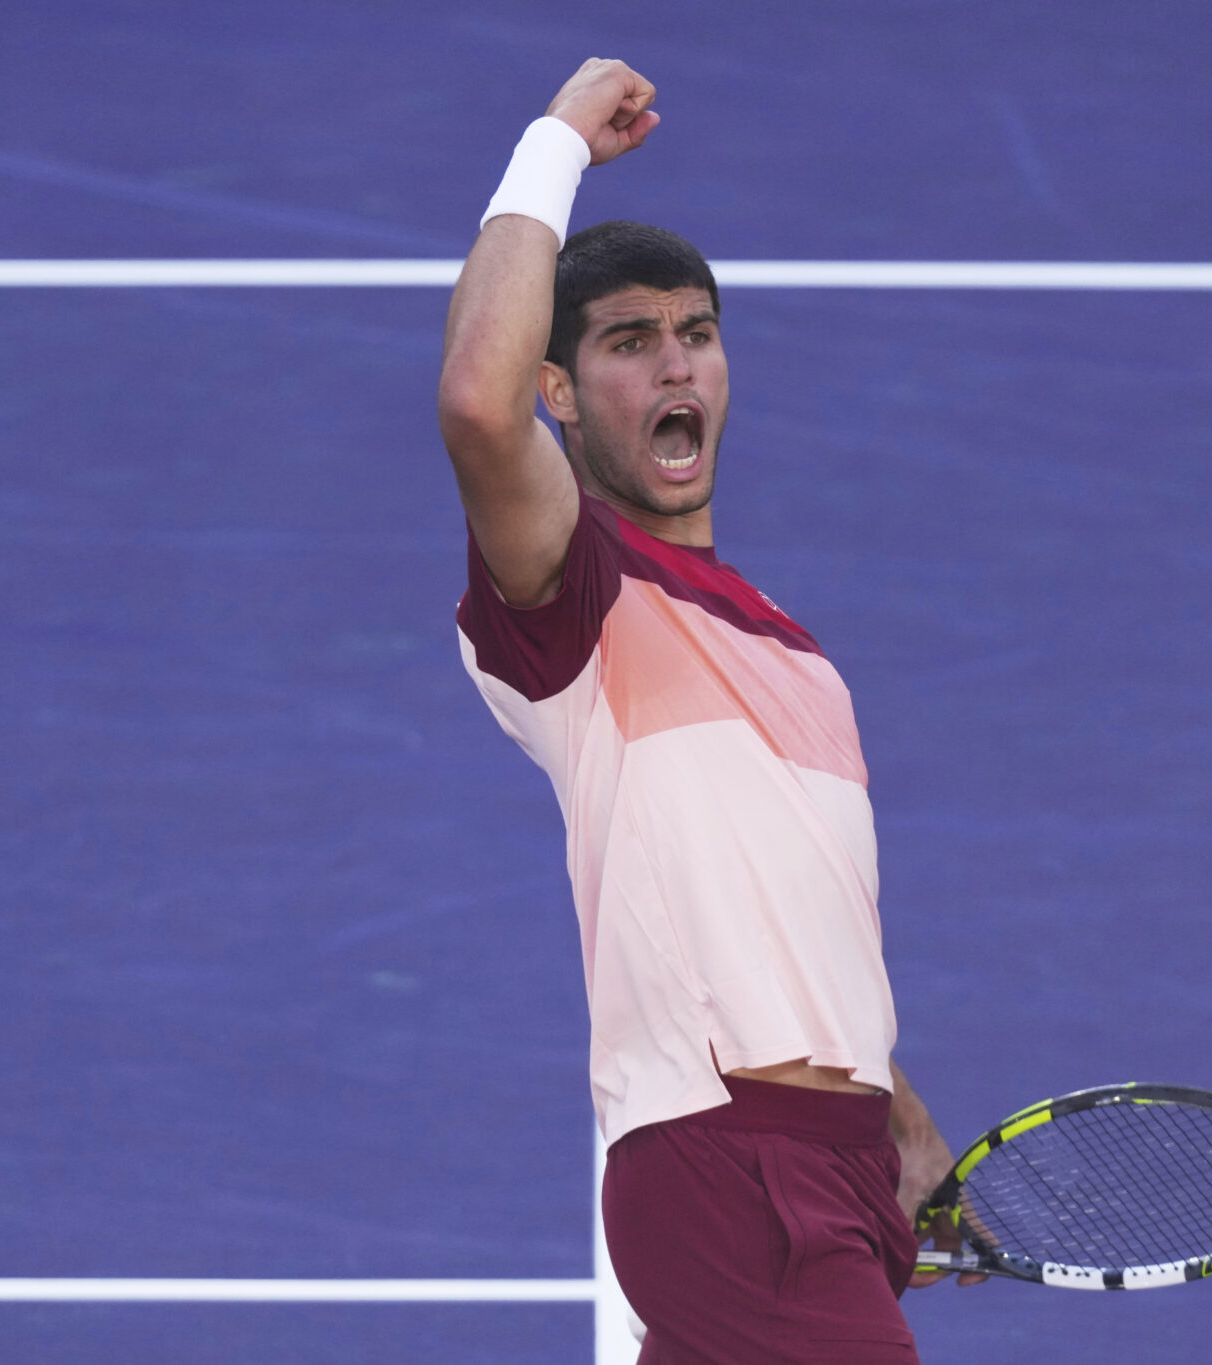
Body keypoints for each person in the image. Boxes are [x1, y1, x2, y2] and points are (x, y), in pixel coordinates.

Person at [440, 58, 980, 1364]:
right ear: (562, 391)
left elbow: (786, 920)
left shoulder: (796, 654)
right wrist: (554, 145)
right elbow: (473, 404)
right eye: (628, 342)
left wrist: (901, 1125)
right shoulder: (578, 595)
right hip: (729, 1165)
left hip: (835, 1168)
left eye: (695, 332)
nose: (674, 361)